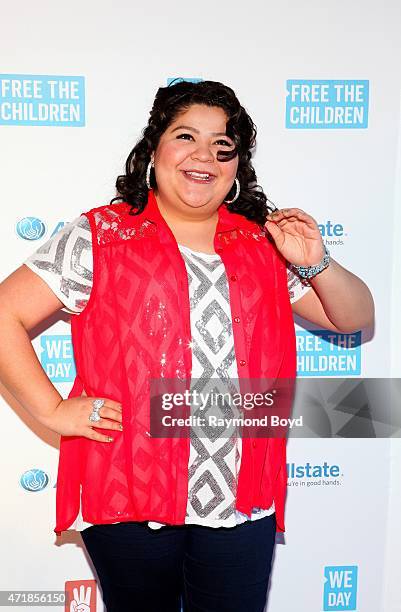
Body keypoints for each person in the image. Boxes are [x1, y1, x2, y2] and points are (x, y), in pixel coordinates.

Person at [0, 80, 374, 612]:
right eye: (186, 137)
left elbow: (355, 316)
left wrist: (314, 260)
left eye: (223, 146)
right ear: (154, 151)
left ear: (237, 167)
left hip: (242, 499)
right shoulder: (101, 235)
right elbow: (4, 313)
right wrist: (51, 409)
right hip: (129, 490)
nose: (204, 157)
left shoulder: (261, 245)